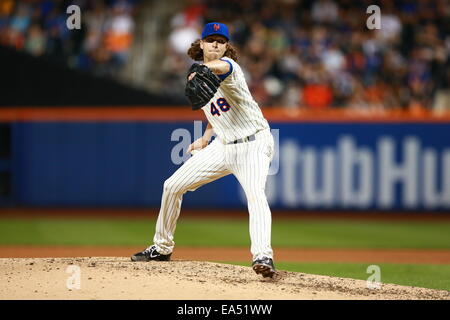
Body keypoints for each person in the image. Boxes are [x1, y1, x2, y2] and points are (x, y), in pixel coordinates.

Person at [131, 22, 276, 278]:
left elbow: (217, 68)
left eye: (221, 41)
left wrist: (199, 69)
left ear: (227, 46)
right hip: (222, 146)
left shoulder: (230, 67)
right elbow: (216, 111)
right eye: (211, 40)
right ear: (201, 43)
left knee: (255, 195)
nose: (216, 44)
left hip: (254, 144)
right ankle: (161, 248)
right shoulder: (201, 73)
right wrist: (205, 137)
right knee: (172, 186)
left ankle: (263, 255)